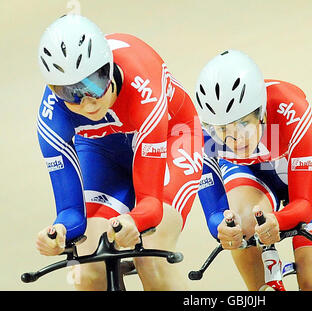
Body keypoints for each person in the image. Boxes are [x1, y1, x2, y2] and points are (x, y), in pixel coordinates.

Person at [35, 14, 203, 290]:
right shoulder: (51, 117)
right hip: (103, 150)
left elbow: (150, 203)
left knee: (150, 251)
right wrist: (59, 233)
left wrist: (135, 220)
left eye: (94, 84)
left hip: (174, 136)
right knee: (87, 270)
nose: (88, 104)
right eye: (69, 92)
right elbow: (70, 212)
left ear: (109, 67)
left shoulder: (142, 84)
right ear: (53, 90)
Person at [194, 50, 312, 290]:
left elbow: (303, 205)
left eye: (243, 123)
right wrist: (221, 228)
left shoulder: (290, 109)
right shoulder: (201, 135)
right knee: (241, 226)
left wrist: (280, 220)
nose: (233, 138)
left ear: (261, 113)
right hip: (254, 173)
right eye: (220, 129)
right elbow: (214, 212)